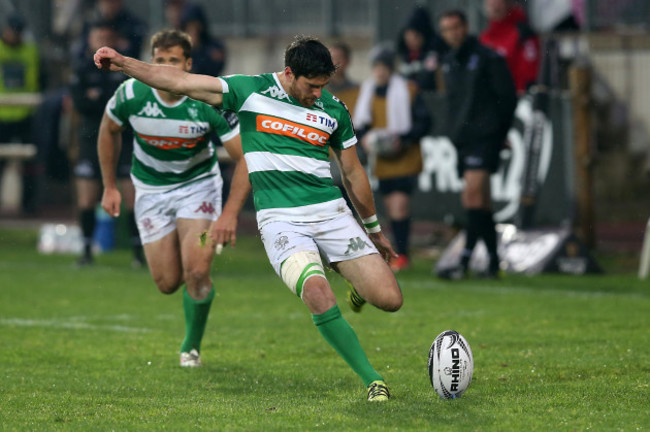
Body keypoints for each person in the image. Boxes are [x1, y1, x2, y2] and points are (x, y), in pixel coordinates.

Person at [94, 35, 403, 402]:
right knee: (316, 293)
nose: (317, 94)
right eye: (311, 86)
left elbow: (352, 173)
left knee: (390, 300)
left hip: (330, 213)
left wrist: (374, 230)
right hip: (281, 223)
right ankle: (373, 380)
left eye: (323, 86)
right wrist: (123, 61)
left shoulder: (333, 110)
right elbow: (178, 81)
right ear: (289, 73)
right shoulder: (250, 91)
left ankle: (349, 275)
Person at [97, 29, 249, 367]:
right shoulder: (130, 93)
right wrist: (109, 186)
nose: (166, 68)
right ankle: (192, 261)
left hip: (198, 187)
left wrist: (229, 213)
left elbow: (245, 157)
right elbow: (108, 130)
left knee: (196, 272)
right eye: (160, 61)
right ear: (150, 62)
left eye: (174, 61)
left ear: (188, 65)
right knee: (167, 283)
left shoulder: (205, 99)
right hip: (150, 190)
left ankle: (190, 347)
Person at [437, 10, 517, 280]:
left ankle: (465, 260)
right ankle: (493, 262)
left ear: (466, 27)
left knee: (472, 196)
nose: (452, 33)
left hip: (484, 137)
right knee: (480, 201)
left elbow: (506, 97)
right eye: (446, 29)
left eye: (456, 27)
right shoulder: (449, 61)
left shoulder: (486, 57)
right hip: (463, 139)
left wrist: (499, 132)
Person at [353, 47, 431, 272]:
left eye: (383, 67)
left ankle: (403, 254)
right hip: (383, 159)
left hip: (404, 157)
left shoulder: (408, 90)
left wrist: (403, 139)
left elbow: (424, 122)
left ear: (390, 69)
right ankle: (397, 252)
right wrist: (365, 139)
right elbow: (361, 126)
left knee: (399, 206)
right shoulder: (368, 91)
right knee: (390, 207)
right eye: (376, 67)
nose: (379, 72)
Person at [70, 20, 140, 266]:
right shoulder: (81, 69)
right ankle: (87, 250)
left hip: (124, 137)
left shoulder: (127, 71)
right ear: (90, 41)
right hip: (90, 138)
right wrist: (105, 101)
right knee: (87, 197)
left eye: (107, 39)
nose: (101, 44)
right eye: (98, 38)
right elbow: (81, 104)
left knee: (132, 195)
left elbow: (128, 104)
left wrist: (98, 98)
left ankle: (138, 253)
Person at [0, 11, 40, 212]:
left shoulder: (30, 51)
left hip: (26, 113)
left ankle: (29, 205)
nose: (14, 35)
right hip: (1, 115)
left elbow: (40, 78)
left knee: (30, 164)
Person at [480, 0, 540, 94]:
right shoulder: (485, 37)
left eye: (499, 4)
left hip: (518, 95)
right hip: (494, 97)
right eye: (491, 4)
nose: (495, 8)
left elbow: (530, 67)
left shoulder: (521, 32)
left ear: (507, 5)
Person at [73, 0, 147, 62]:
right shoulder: (89, 22)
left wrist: (117, 45)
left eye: (113, 2)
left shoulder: (133, 25)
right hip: (92, 68)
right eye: (106, 1)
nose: (109, 6)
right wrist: (92, 48)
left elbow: (137, 54)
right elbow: (79, 53)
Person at [396, 5, 448, 91]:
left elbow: (429, 78)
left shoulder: (434, 53)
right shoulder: (403, 55)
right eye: (408, 38)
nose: (411, 42)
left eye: (416, 37)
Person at [179, 4, 227, 77]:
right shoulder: (179, 46)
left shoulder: (215, 46)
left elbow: (214, 69)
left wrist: (198, 49)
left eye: (195, 25)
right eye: (190, 26)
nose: (193, 30)